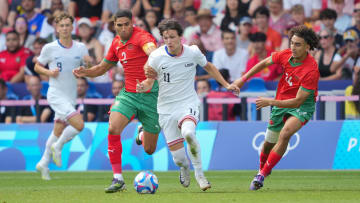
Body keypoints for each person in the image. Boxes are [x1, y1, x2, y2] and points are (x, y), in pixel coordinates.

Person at [136, 18, 239, 191]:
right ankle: (184, 168)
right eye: (165, 37)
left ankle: (200, 175)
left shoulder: (192, 52)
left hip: (187, 103)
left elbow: (209, 67)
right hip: (166, 109)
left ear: (180, 37)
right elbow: (149, 81)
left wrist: (227, 85)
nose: (169, 41)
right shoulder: (156, 56)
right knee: (179, 159)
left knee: (189, 132)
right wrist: (143, 86)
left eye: (172, 37)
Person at [72, 9, 160, 193]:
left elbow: (151, 49)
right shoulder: (116, 43)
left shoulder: (142, 36)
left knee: (150, 149)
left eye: (126, 24)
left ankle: (142, 132)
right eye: (119, 25)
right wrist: (85, 72)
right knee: (112, 128)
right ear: (114, 26)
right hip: (129, 93)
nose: (123, 28)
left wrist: (152, 54)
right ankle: (118, 179)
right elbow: (103, 68)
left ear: (132, 23)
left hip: (151, 95)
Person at [233, 25, 320, 190]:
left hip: (302, 106)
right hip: (281, 101)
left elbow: (297, 102)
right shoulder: (286, 55)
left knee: (286, 133)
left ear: (308, 47)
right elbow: (264, 62)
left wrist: (270, 102)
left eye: (298, 44)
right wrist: (242, 80)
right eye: (292, 43)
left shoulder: (311, 70)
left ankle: (262, 175)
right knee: (267, 144)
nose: (293, 47)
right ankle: (261, 168)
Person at [34, 13, 89, 180]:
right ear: (57, 29)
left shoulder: (80, 48)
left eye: (67, 25)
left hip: (70, 95)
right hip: (55, 94)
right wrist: (49, 72)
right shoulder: (50, 48)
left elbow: (87, 68)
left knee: (57, 130)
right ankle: (57, 147)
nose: (65, 28)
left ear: (72, 27)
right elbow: (37, 66)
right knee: (79, 125)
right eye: (62, 26)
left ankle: (43, 163)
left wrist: (88, 65)